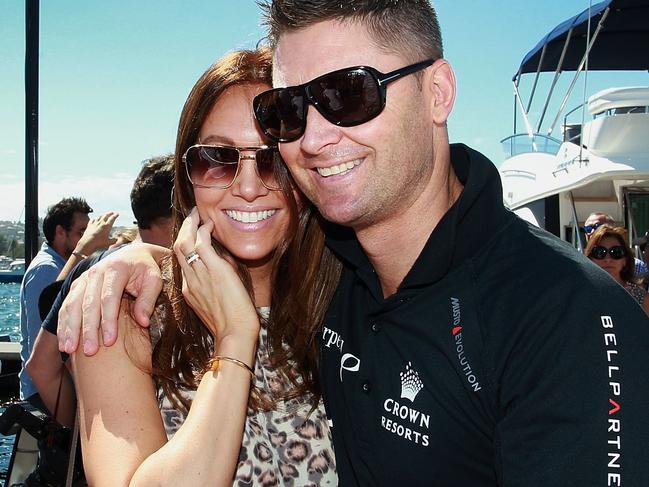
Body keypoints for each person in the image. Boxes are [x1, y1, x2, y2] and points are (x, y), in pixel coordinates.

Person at [58, 2, 649, 485]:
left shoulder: (563, 315)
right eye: (290, 111)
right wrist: (137, 258)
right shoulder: (336, 284)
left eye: (351, 94)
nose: (315, 137)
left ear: (439, 93)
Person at [60, 49, 338, 486]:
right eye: (216, 158)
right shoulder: (128, 315)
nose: (248, 187)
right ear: (188, 175)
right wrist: (234, 338)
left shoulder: (346, 305)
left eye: (272, 158)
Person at [27, 155, 175, 428]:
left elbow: (41, 366)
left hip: (103, 450)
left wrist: (83, 431)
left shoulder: (89, 268)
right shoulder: (180, 276)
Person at [19, 197, 116, 410]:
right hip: (46, 392)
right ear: (60, 232)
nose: (87, 238)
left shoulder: (63, 266)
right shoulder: (46, 269)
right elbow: (43, 339)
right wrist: (85, 249)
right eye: (82, 233)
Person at [586, 225, 649, 314]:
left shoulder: (641, 299)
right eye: (599, 252)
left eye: (616, 252)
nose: (608, 259)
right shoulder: (581, 296)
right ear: (590, 259)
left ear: (625, 260)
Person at [583, 211, 648, 275]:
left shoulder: (636, 266)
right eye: (588, 229)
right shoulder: (580, 267)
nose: (592, 231)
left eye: (616, 252)